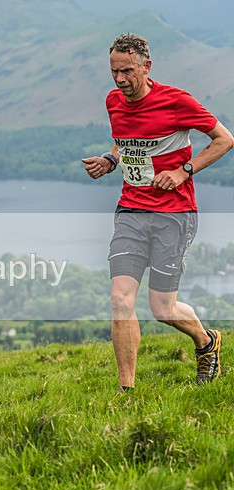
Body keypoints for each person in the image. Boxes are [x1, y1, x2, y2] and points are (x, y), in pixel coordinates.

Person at [82, 33, 234, 392]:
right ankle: (126, 390)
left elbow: (225, 139)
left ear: (147, 67)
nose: (120, 80)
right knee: (120, 299)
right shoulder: (114, 101)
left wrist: (185, 170)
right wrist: (110, 159)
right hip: (131, 211)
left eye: (127, 71)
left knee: (162, 308)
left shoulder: (177, 101)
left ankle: (205, 340)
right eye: (114, 71)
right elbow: (125, 139)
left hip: (174, 214)